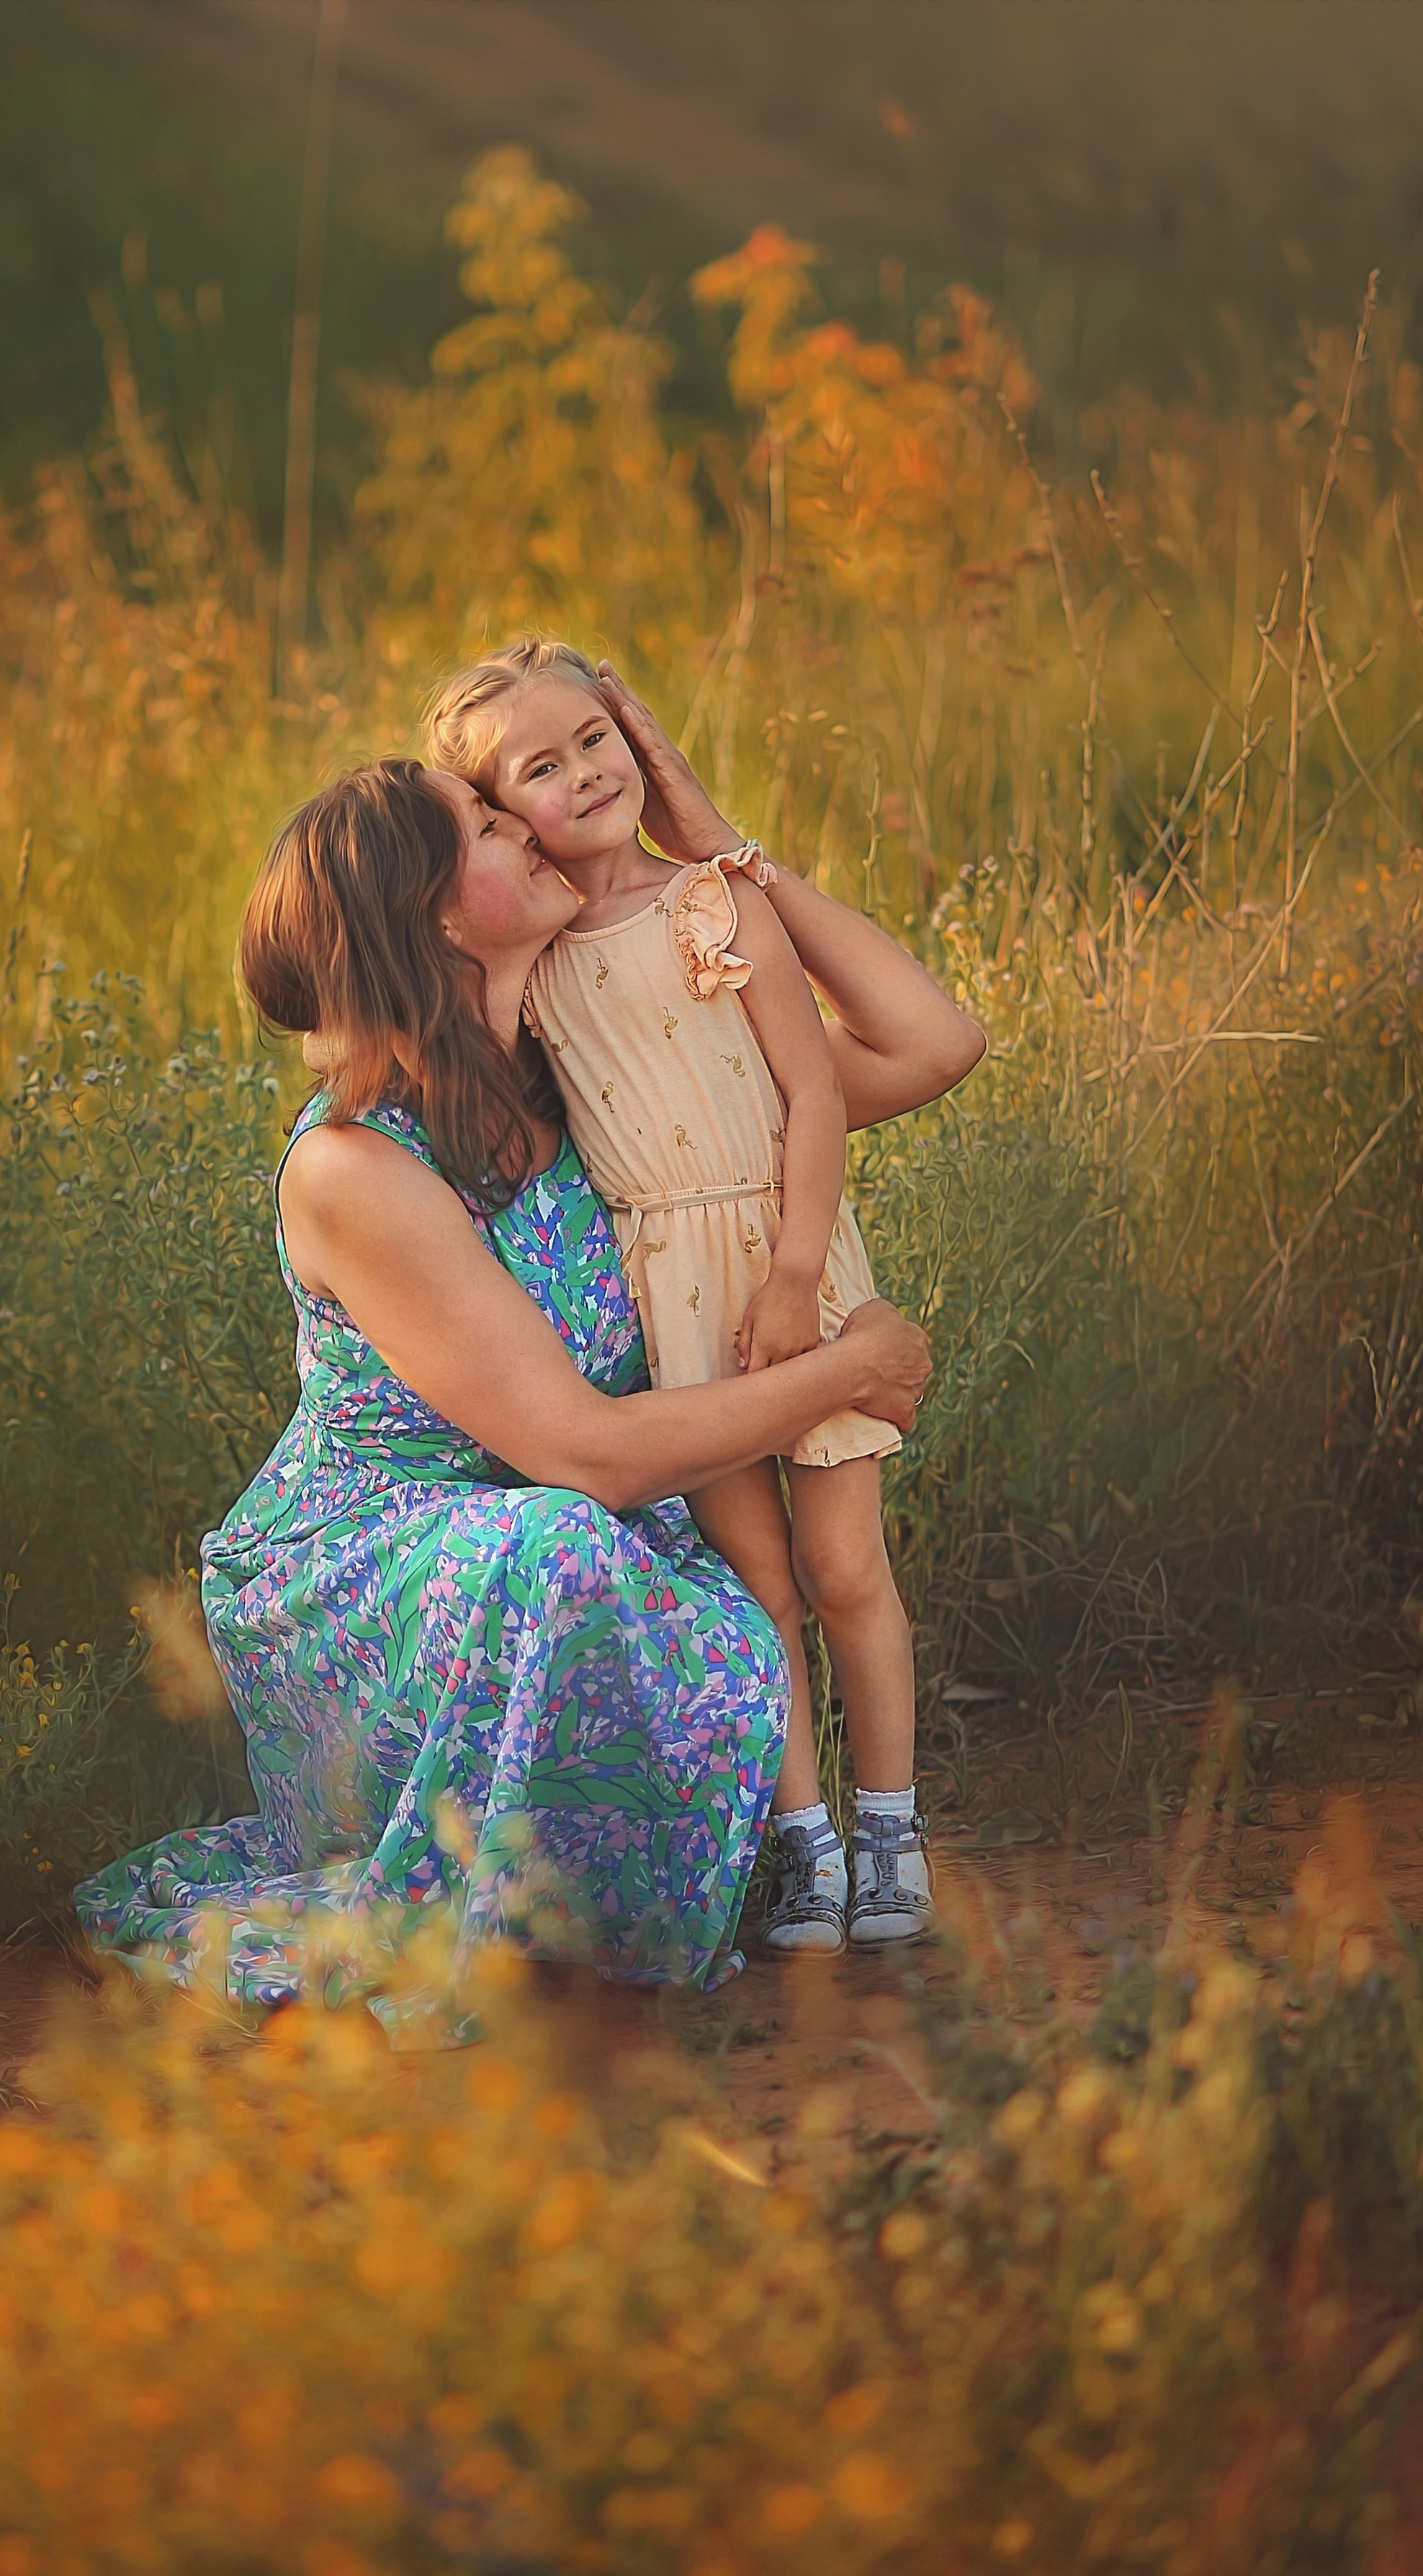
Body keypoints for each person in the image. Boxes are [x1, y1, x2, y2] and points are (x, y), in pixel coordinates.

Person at [73, 758, 933, 2044]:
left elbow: (926, 1043)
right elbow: (583, 1454)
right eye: (485, 824)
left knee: (713, 1590)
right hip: (379, 1567)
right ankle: (503, 1933)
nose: (529, 823)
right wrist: (846, 1373)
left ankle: (608, 1914)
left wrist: (720, 851)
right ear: (428, 921)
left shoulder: (585, 1085)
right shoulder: (354, 1167)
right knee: (566, 1548)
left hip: (581, 1526)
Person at [426, 641, 984, 1955]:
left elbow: (813, 1093)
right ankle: (803, 1846)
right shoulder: (543, 951)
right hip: (667, 1290)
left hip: (788, 1250)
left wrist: (797, 1274)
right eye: (540, 770)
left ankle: (892, 1827)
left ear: (639, 737)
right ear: (504, 824)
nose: (587, 773)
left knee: (847, 1562)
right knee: (756, 1579)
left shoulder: (717, 902)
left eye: (598, 737)